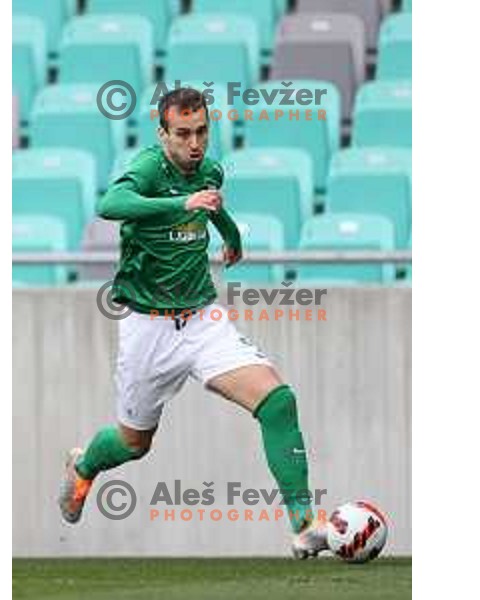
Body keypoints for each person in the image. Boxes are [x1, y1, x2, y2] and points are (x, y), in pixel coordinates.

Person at [58, 87, 328, 558]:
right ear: (163, 134)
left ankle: (304, 525)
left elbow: (213, 204)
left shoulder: (208, 169)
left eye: (202, 131)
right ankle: (84, 466)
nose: (195, 143)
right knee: (133, 443)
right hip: (148, 328)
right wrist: (178, 205)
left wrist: (229, 238)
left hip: (203, 321)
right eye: (183, 133)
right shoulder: (147, 169)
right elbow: (110, 204)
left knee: (278, 401)